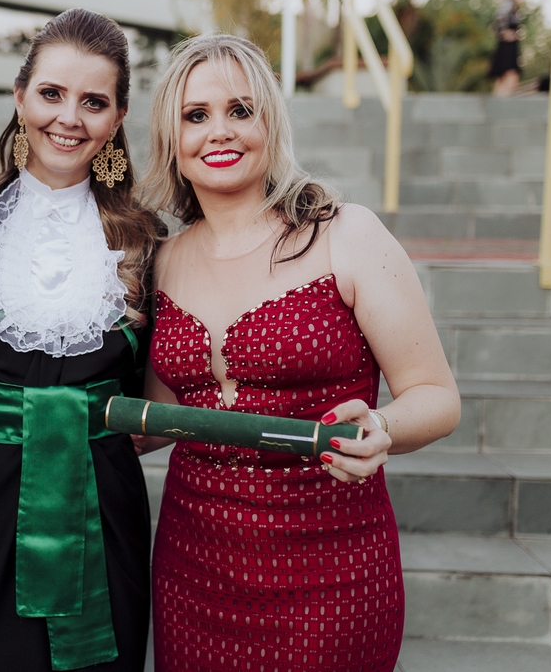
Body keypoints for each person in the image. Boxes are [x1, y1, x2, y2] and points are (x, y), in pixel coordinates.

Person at [138, 34, 460, 672]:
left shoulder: (347, 235)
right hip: (192, 572)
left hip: (330, 574)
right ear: (171, 138)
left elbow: (438, 397)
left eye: (240, 110)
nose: (219, 132)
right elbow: (157, 418)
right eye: (195, 116)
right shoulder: (163, 260)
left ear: (271, 122)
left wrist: (382, 427)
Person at [0, 8, 164, 672]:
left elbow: (155, 392)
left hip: (100, 504)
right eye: (52, 93)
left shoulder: (145, 239)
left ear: (116, 119)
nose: (69, 117)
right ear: (21, 96)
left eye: (94, 101)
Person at [490, 0, 526, 96]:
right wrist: (504, 32)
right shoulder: (508, 4)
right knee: (510, 75)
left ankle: (497, 105)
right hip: (508, 46)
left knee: (503, 77)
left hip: (508, 45)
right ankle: (501, 106)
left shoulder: (513, 6)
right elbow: (500, 18)